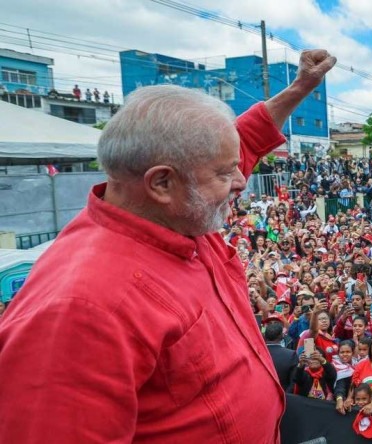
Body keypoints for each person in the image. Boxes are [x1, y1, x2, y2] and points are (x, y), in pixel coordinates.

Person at [0, 49, 337, 442]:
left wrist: (299, 89)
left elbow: (241, 143)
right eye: (227, 173)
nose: (241, 179)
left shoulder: (181, 209)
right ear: (161, 183)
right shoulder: (79, 311)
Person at [265, 319, 298, 391]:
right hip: (283, 396)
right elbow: (293, 383)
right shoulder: (291, 355)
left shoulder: (257, 353)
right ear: (282, 336)